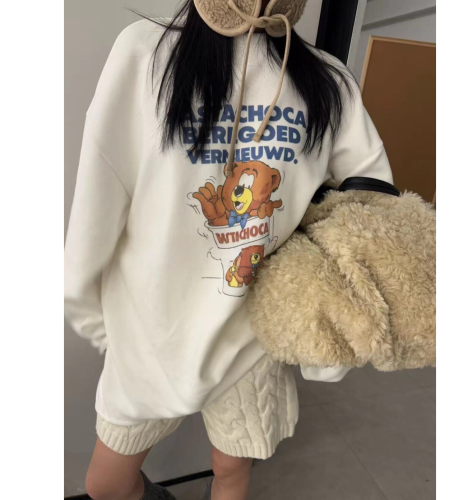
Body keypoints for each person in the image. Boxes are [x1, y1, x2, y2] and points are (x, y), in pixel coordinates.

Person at [64, 0, 393, 497]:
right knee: (106, 485)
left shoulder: (327, 81)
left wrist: (330, 338)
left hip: (252, 336)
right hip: (150, 332)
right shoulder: (145, 54)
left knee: (232, 472)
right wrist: (93, 316)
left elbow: (370, 207)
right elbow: (100, 191)